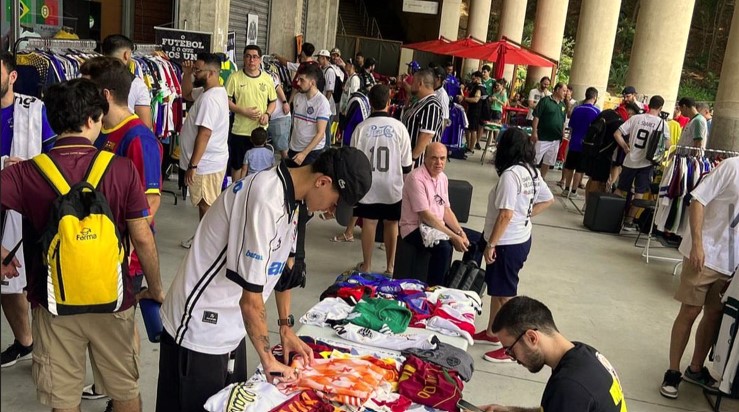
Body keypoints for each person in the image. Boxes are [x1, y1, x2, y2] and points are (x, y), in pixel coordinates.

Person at [157, 147, 372, 412]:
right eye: (335, 203)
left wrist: (284, 327)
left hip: (232, 327)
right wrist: (268, 359)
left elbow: (282, 270)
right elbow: (251, 300)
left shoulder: (294, 199)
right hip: (198, 329)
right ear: (322, 181)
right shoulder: (265, 199)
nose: (330, 211)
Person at [1, 77, 165, 412]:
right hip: (113, 302)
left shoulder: (27, 173)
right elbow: (142, 236)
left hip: (52, 304)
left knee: (64, 399)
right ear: (92, 120)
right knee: (124, 390)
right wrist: (156, 288)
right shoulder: (122, 170)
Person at [660, 157, 739, 399]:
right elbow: (698, 201)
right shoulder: (732, 167)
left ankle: (695, 368)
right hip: (704, 254)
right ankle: (672, 372)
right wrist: (697, 244)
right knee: (690, 311)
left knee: (714, 315)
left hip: (731, 261)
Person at [473, 128, 554, 363]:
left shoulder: (511, 175)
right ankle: (492, 332)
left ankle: (515, 346)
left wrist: (491, 244)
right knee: (497, 291)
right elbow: (547, 199)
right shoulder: (532, 171)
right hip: (519, 238)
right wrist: (526, 215)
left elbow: (506, 214)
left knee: (507, 296)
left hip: (506, 243)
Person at [0, 50, 56, 368]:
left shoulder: (34, 110)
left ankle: (45, 351)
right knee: (6, 286)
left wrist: (30, 168)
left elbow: (55, 156)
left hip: (27, 209)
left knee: (33, 283)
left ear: (12, 76)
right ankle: (25, 342)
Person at [479, 296, 627, 412]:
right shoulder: (583, 353)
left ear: (532, 338)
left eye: (510, 349)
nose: (513, 357)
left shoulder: (569, 386)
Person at [350, 84, 412, 275]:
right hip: (392, 185)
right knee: (391, 223)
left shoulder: (361, 129)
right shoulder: (399, 128)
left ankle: (367, 266)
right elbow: (407, 165)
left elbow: (353, 161)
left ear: (369, 102)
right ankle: (390, 266)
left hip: (368, 185)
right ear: (389, 101)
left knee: (369, 222)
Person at [399, 142, 470, 286]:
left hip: (435, 226)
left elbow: (446, 210)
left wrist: (459, 232)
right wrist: (452, 236)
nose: (439, 162)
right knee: (444, 248)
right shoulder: (416, 178)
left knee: (473, 242)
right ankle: (435, 289)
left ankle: (462, 284)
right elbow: (425, 216)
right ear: (425, 158)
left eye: (442, 158)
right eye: (434, 158)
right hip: (414, 228)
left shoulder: (442, 178)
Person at [179, 53, 230, 248]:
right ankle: (204, 239)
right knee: (204, 202)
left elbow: (204, 135)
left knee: (206, 204)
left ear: (210, 73)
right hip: (209, 162)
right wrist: (186, 73)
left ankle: (209, 245)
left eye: (197, 70)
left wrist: (193, 165)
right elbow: (186, 94)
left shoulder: (210, 99)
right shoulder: (210, 92)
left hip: (205, 164)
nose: (195, 72)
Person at [613, 95, 671, 231]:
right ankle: (629, 221)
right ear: (661, 108)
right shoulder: (662, 124)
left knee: (621, 188)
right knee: (639, 192)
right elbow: (668, 145)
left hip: (629, 160)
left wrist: (626, 147)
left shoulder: (635, 118)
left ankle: (612, 215)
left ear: (649, 105)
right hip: (646, 163)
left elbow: (617, 134)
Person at [225, 45, 277, 181]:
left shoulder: (267, 79)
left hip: (259, 132)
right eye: (248, 56)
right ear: (244, 58)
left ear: (260, 60)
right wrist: (242, 111)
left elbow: (273, 102)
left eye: (254, 57)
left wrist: (267, 114)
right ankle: (236, 194)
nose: (251, 60)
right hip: (240, 131)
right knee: (237, 165)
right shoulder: (234, 77)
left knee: (259, 167)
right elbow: (226, 101)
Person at [581, 102, 640, 209]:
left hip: (591, 149)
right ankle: (592, 208)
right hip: (603, 155)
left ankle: (587, 204)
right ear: (630, 113)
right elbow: (624, 140)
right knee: (599, 182)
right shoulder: (620, 123)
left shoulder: (608, 112)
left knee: (591, 179)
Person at [101, 34, 153, 130]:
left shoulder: (88, 77)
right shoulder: (137, 84)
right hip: (124, 139)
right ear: (126, 55)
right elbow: (146, 126)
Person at [288, 63, 331, 166]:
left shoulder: (322, 102)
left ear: (312, 83)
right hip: (294, 148)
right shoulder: (298, 97)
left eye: (302, 80)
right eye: (298, 79)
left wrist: (304, 153)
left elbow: (320, 133)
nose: (298, 83)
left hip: (312, 152)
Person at [560, 87, 600, 199]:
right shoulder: (596, 112)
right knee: (579, 169)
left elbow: (571, 126)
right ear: (595, 97)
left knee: (570, 167)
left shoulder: (576, 109)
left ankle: (566, 189)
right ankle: (573, 191)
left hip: (573, 142)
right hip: (586, 144)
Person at [401, 69, 443, 168]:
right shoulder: (420, 102)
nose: (411, 85)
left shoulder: (432, 105)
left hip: (419, 164)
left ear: (420, 84)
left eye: (413, 82)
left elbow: (427, 134)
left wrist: (412, 159)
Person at [531, 82, 567, 180]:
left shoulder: (563, 105)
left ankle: (542, 179)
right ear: (557, 89)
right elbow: (536, 117)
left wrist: (563, 134)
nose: (565, 93)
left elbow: (563, 121)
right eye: (563, 90)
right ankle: (530, 177)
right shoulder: (545, 101)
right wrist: (534, 131)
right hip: (542, 137)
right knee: (534, 159)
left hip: (556, 139)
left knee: (548, 161)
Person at [267, 70, 292, 160]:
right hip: (268, 118)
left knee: (283, 149)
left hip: (279, 116)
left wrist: (285, 102)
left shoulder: (268, 74)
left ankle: (288, 170)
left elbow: (278, 88)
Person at [317, 49, 339, 148]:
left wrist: (324, 105)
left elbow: (329, 91)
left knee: (325, 132)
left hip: (328, 107)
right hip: (322, 105)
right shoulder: (322, 70)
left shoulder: (330, 71)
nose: (318, 59)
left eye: (320, 58)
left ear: (325, 58)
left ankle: (327, 151)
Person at [459, 71, 484, 154]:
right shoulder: (475, 86)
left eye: (473, 78)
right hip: (471, 110)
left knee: (473, 130)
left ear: (478, 78)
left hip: (475, 111)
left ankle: (471, 148)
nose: (472, 80)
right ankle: (469, 145)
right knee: (468, 128)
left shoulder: (479, 88)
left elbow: (476, 99)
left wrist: (465, 98)